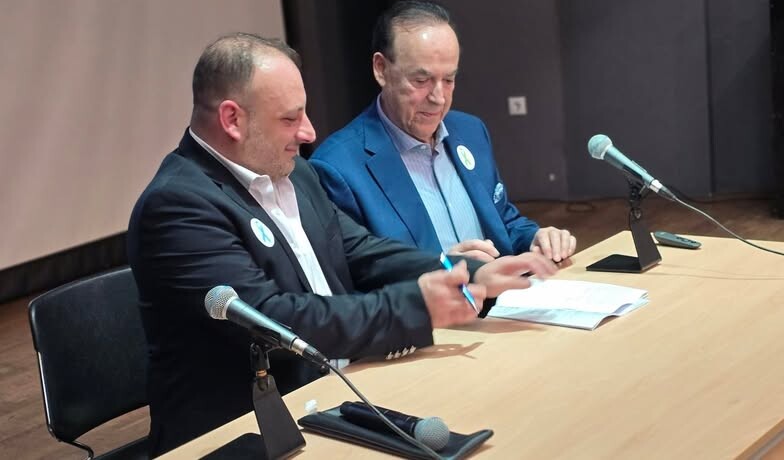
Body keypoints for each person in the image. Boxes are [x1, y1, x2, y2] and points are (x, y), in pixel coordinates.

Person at [128, 33, 558, 456]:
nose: (308, 131)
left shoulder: (294, 173)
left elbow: (360, 251)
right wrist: (415, 306)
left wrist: (464, 271)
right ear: (232, 119)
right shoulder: (178, 205)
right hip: (246, 432)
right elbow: (272, 320)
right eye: (289, 119)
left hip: (339, 393)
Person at [310, 1, 577, 264]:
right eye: (421, 80)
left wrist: (535, 238)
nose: (438, 98)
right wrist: (444, 268)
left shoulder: (471, 131)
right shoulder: (338, 167)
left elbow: (502, 220)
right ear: (381, 69)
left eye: (448, 79)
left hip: (506, 291)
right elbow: (356, 275)